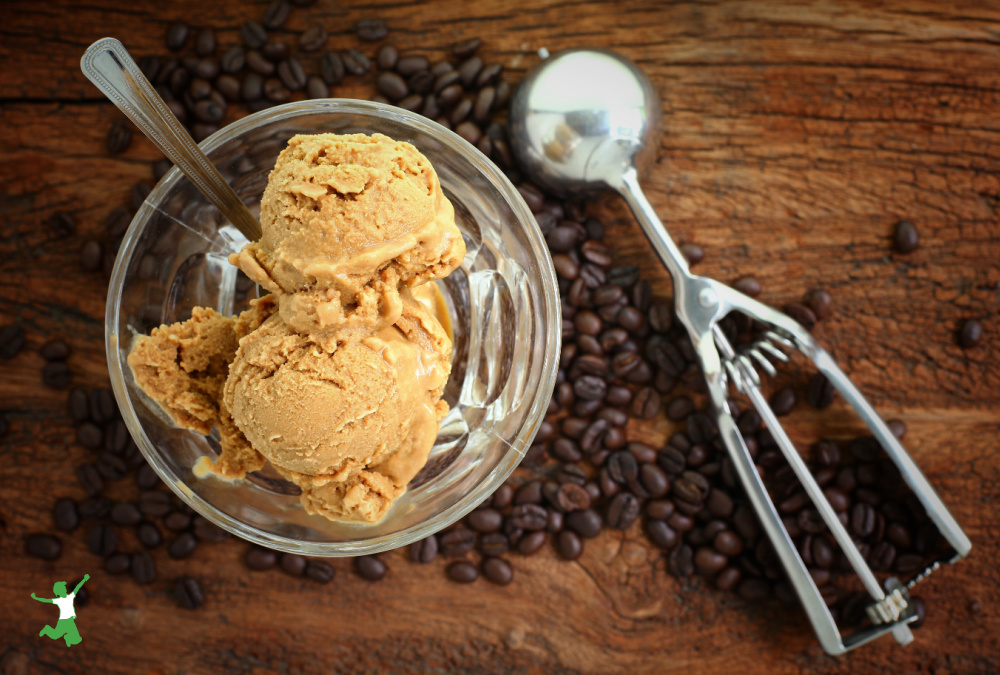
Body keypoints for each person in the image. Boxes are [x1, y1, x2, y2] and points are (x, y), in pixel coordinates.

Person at [31, 574, 90, 647]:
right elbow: (46, 600)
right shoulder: (59, 600)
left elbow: (77, 588)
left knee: (76, 639)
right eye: (62, 589)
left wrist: (84, 579)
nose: (64, 590)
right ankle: (47, 629)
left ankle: (67, 637)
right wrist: (35, 597)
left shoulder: (69, 597)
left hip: (70, 620)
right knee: (55, 635)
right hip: (64, 621)